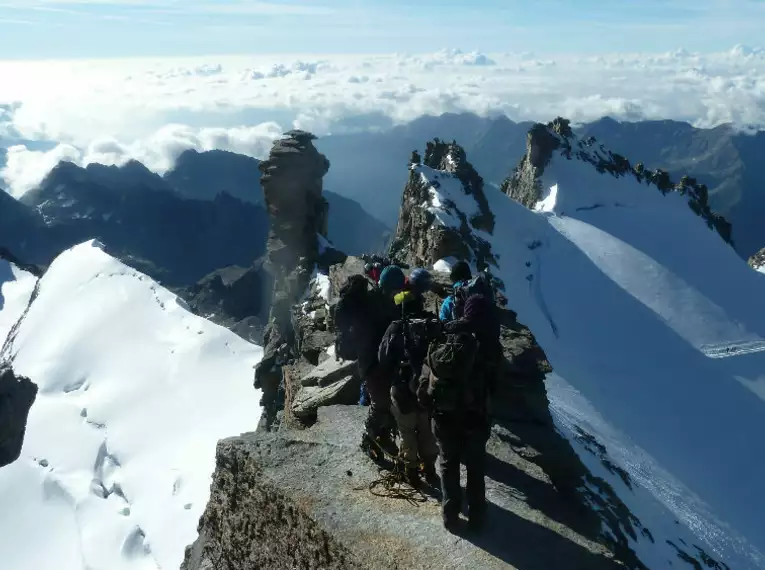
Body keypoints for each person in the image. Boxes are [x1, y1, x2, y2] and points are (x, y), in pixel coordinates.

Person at [421, 293, 502, 532]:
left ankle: (450, 515)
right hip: (475, 418)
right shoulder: (490, 344)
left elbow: (428, 371)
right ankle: (477, 517)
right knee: (475, 467)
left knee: (448, 464)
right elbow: (497, 386)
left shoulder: (448, 334)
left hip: (444, 416)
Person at [378, 281, 440, 487]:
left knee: (406, 431)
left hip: (402, 389)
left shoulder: (395, 327)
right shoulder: (432, 324)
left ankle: (411, 471)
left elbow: (383, 358)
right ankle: (430, 468)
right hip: (427, 389)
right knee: (426, 429)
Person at [334, 269, 402, 457]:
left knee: (384, 402)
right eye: (396, 289)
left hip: (376, 361)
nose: (398, 294)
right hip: (373, 362)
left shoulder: (380, 301)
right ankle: (370, 438)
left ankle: (381, 435)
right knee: (381, 403)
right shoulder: (374, 304)